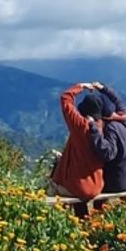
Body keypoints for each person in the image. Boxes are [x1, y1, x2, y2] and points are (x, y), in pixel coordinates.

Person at [49, 81, 105, 217]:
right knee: (75, 182)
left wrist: (81, 86)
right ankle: (85, 220)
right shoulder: (100, 126)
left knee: (53, 186)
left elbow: (65, 99)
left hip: (78, 187)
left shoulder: (80, 126)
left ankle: (57, 221)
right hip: (97, 185)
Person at [86, 81, 126, 200]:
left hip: (117, 183)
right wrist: (103, 88)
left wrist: (93, 128)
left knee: (85, 187)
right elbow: (117, 100)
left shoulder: (110, 128)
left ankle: (94, 215)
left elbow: (107, 154)